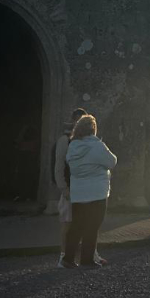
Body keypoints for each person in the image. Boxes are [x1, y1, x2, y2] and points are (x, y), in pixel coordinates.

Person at [61, 115, 117, 269]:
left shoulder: (73, 146)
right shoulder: (97, 146)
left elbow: (70, 165)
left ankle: (68, 259)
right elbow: (112, 162)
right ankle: (87, 260)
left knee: (76, 226)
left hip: (78, 193)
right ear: (93, 129)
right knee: (92, 227)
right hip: (97, 193)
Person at [55, 108, 97, 267]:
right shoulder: (64, 141)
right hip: (70, 190)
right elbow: (59, 168)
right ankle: (63, 256)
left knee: (87, 224)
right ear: (74, 122)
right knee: (67, 224)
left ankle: (91, 255)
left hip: (85, 190)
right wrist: (63, 189)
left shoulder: (87, 142)